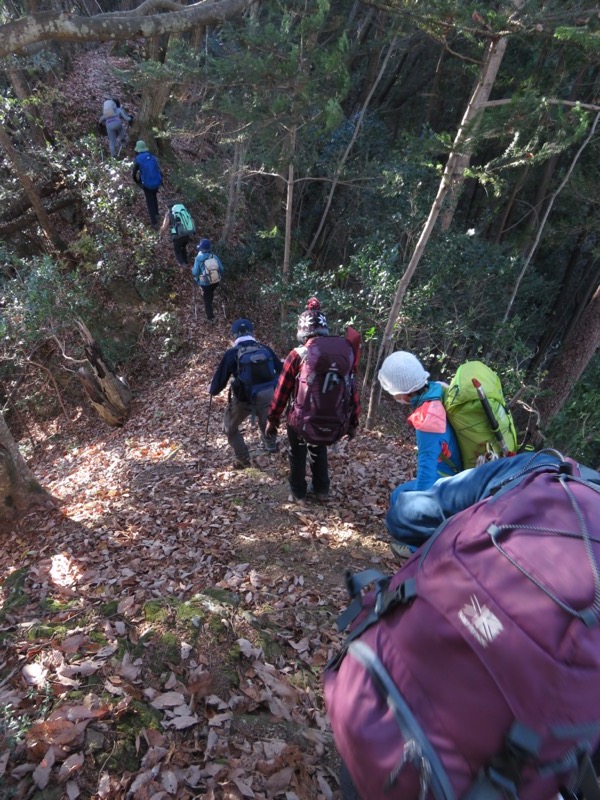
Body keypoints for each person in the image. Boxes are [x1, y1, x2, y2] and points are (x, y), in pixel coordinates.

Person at [266, 298, 360, 504]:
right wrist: (353, 422)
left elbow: (282, 390)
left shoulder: (298, 355)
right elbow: (352, 389)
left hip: (301, 419)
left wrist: (272, 419)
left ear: (302, 331)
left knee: (297, 451)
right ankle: (321, 489)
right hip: (332, 418)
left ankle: (298, 492)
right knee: (319, 448)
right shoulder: (343, 355)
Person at [378, 350, 463, 558]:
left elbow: (426, 470)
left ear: (404, 393)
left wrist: (418, 506)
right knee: (401, 495)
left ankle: (417, 548)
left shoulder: (428, 420)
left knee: (400, 497)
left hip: (449, 479)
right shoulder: (439, 390)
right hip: (461, 470)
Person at [209, 319, 283, 469]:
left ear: (234, 335)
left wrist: (212, 390)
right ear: (252, 333)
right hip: (267, 394)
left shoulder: (231, 353)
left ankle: (243, 459)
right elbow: (281, 369)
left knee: (229, 427)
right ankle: (270, 445)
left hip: (244, 398)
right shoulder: (265, 349)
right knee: (266, 417)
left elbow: (219, 382)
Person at [132, 141, 163, 228]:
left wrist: (138, 183)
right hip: (156, 182)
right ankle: (157, 215)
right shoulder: (152, 157)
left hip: (147, 185)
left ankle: (154, 223)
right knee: (154, 198)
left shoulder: (138, 159)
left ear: (138, 149)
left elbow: (134, 174)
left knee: (150, 202)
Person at [192, 239, 223, 322]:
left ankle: (210, 317)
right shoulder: (214, 256)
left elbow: (195, 272)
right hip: (216, 281)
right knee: (210, 292)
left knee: (207, 299)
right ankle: (211, 300)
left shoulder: (198, 259)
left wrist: (196, 278)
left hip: (205, 283)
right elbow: (221, 269)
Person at [159, 202, 196, 267]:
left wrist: (161, 235)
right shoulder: (183, 212)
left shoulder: (169, 214)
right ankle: (186, 263)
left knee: (177, 251)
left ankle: (182, 267)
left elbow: (164, 227)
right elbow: (192, 221)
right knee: (183, 248)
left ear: (168, 208)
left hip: (177, 235)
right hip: (187, 234)